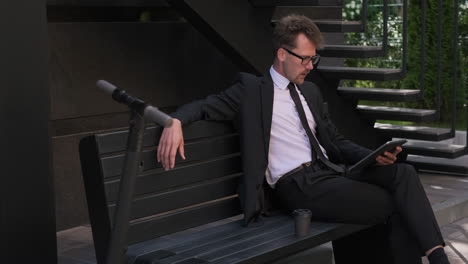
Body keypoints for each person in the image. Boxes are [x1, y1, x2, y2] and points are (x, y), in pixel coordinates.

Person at [156, 14, 450, 264]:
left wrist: (374, 155)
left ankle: (438, 258)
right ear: (282, 54)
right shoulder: (251, 90)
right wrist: (175, 121)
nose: (311, 66)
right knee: (393, 205)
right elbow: (205, 106)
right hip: (298, 187)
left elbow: (335, 141)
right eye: (306, 59)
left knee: (403, 173)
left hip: (329, 174)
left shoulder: (310, 92)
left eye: (314, 59)